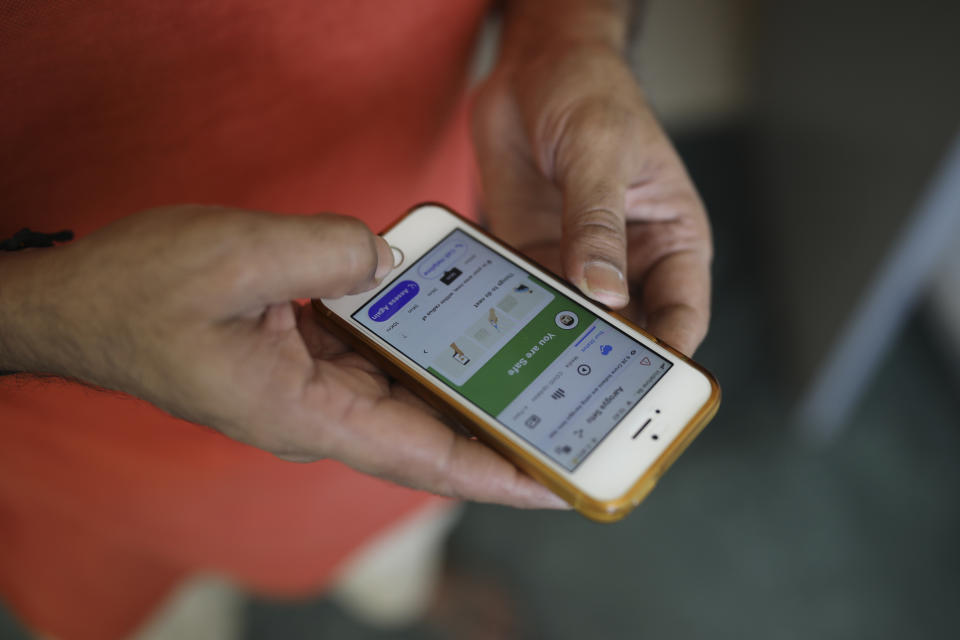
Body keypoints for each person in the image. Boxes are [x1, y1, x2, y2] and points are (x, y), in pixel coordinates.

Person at [0, 0, 712, 637]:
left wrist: (569, 37)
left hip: (399, 311)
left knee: (396, 515)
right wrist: (47, 317)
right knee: (144, 610)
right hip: (68, 439)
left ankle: (400, 592)